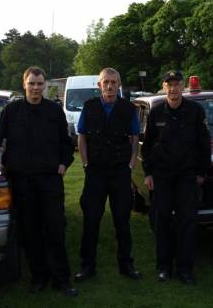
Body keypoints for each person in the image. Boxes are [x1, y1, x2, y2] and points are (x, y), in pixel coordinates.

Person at [0, 66, 77, 297]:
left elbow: (66, 141)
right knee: (30, 231)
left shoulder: (54, 110)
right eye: (31, 83)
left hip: (50, 180)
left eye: (40, 84)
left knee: (55, 229)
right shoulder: (11, 110)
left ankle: (61, 279)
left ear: (45, 85)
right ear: (24, 84)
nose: (35, 88)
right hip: (21, 181)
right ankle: (38, 277)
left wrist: (64, 162)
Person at [142, 70, 211, 285]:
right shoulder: (156, 112)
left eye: (176, 84)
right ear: (164, 87)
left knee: (187, 223)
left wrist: (201, 172)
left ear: (183, 87)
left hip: (186, 176)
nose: (173, 89)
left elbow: (204, 144)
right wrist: (148, 173)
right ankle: (164, 267)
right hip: (162, 176)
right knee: (161, 221)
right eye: (169, 84)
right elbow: (148, 146)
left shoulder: (195, 111)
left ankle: (185, 269)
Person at [75, 68, 142, 281]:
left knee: (122, 220)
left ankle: (126, 265)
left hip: (120, 172)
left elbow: (134, 138)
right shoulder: (89, 107)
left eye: (114, 82)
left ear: (119, 84)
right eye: (106, 82)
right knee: (91, 220)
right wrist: (85, 164)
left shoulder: (128, 108)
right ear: (99, 85)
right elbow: (81, 136)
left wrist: (131, 165)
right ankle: (88, 267)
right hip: (95, 172)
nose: (110, 86)